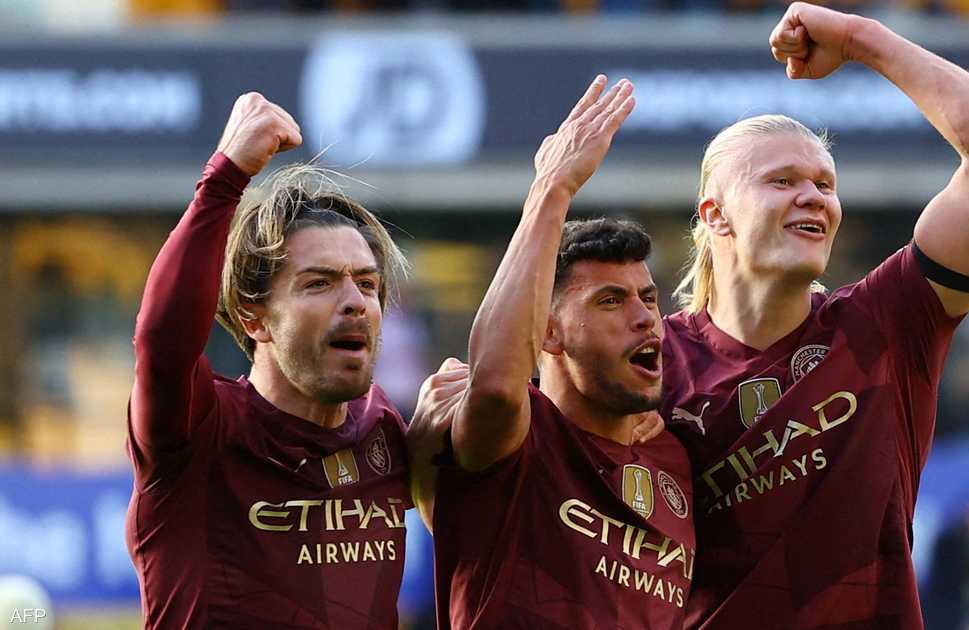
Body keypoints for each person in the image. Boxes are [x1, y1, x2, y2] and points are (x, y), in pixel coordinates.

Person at [661, 3, 969, 628]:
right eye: (782, 181)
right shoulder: (649, 363)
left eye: (825, 184)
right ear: (715, 215)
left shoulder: (883, 325)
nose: (813, 197)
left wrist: (861, 38)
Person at [411, 76, 695, 629]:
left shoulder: (675, 454)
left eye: (647, 298)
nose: (644, 316)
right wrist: (552, 189)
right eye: (610, 301)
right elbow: (496, 387)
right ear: (548, 333)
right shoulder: (514, 440)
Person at [126, 92, 413, 628]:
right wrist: (225, 177)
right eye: (319, 283)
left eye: (367, 283)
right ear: (253, 317)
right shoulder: (198, 431)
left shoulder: (385, 430)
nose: (355, 301)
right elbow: (162, 345)